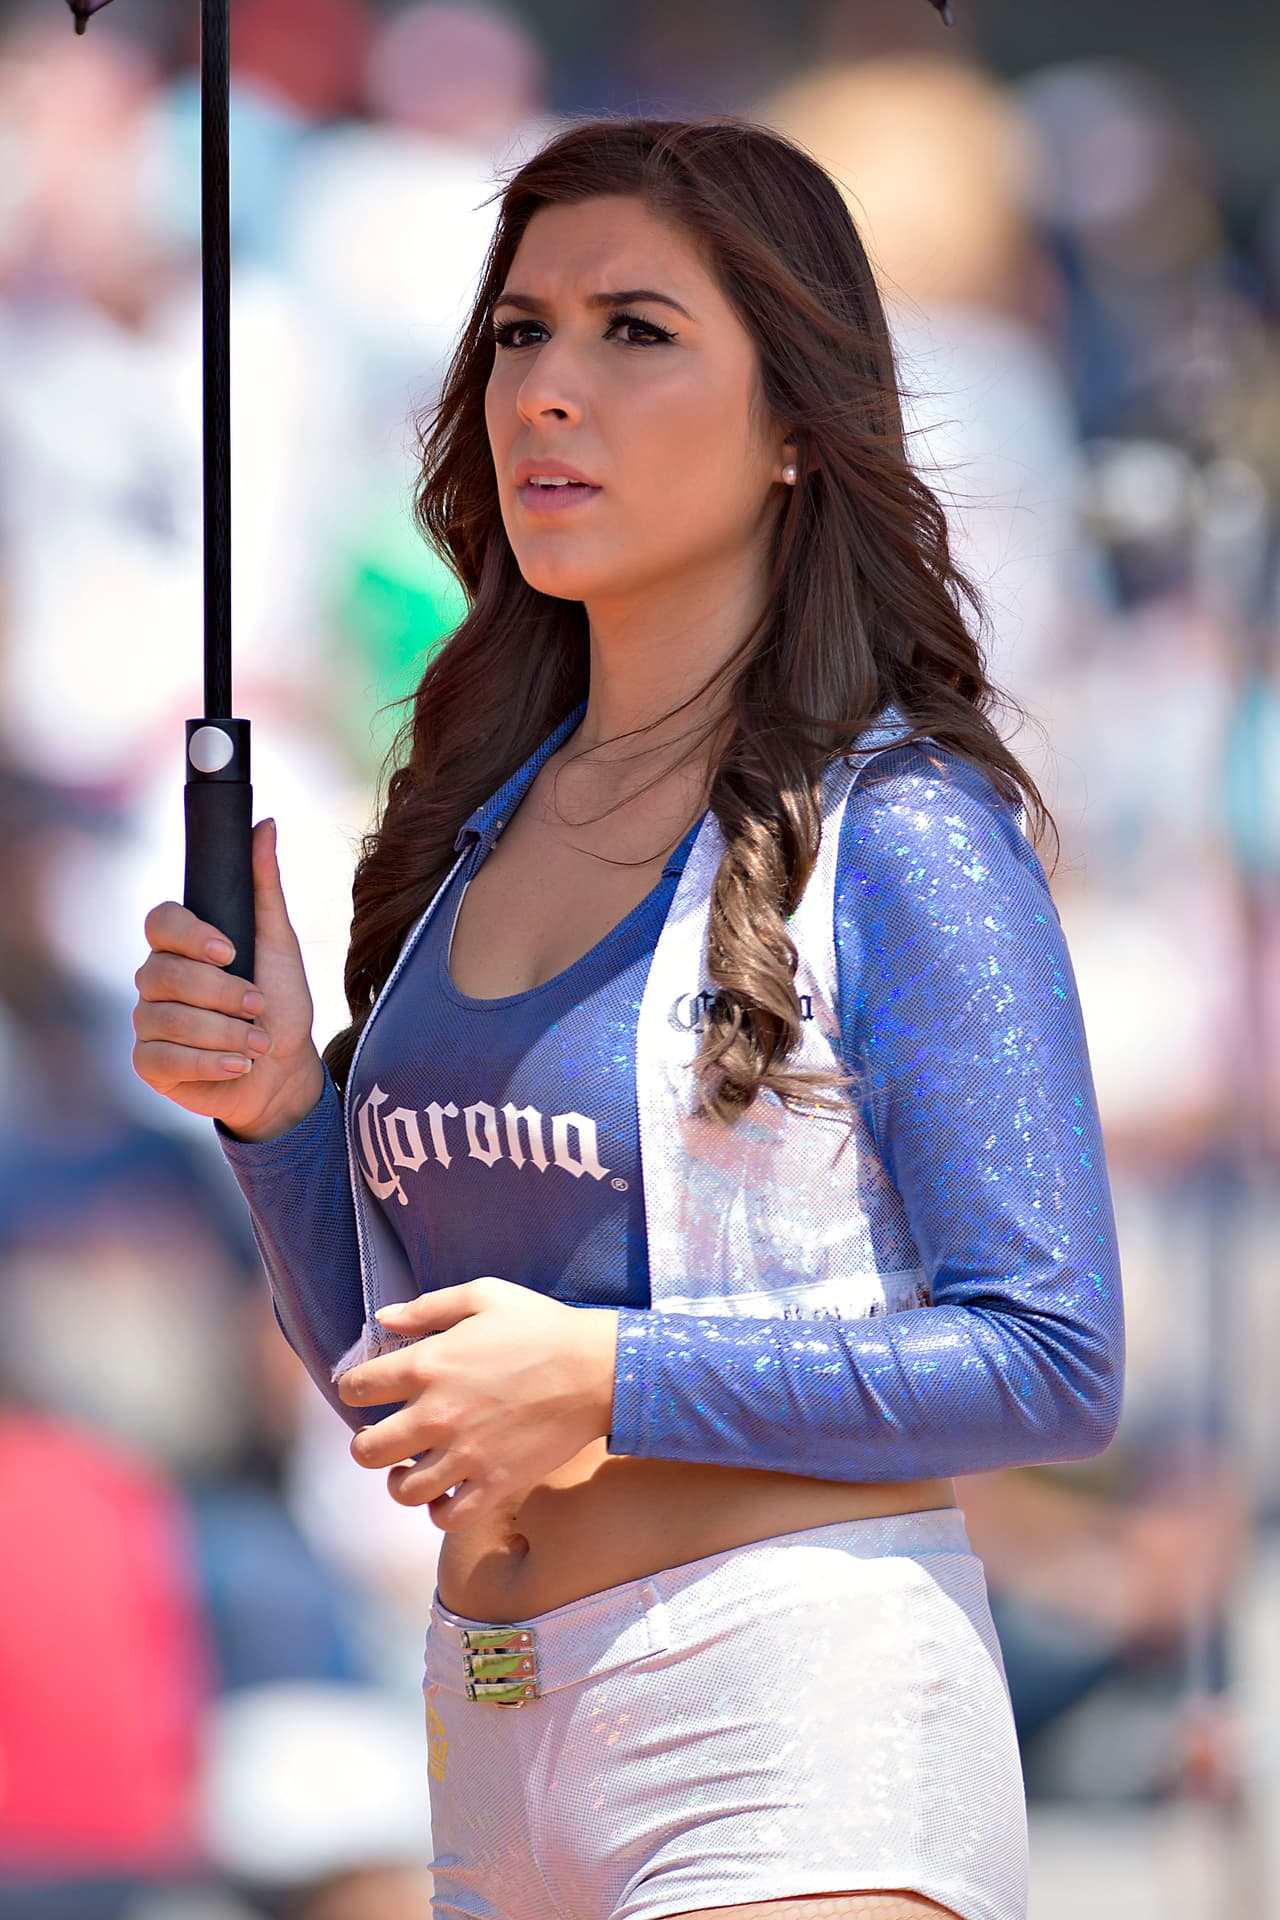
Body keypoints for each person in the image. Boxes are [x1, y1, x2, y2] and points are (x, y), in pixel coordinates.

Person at [131, 116, 1125, 1920]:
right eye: (520, 331)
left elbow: (1053, 1355)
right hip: (490, 1734)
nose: (546, 389)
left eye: (635, 331)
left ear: (798, 423)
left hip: (796, 1724)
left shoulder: (902, 829)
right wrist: (277, 1112)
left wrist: (607, 1376)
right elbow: (398, 1379)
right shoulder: (471, 818)